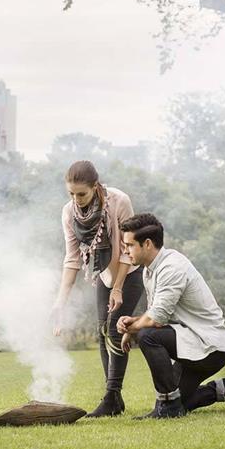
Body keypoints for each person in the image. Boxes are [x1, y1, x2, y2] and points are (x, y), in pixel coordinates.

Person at [116, 213, 225, 419]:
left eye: (129, 245)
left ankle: (168, 403)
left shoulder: (172, 267)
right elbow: (157, 313)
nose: (124, 251)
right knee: (181, 405)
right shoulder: (150, 270)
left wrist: (133, 328)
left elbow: (156, 320)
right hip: (190, 343)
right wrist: (133, 323)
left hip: (209, 346)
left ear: (147, 244)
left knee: (148, 336)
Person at [52, 160, 144, 417]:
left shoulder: (119, 201)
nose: (76, 199)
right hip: (104, 275)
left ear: (95, 186)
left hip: (130, 273)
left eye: (81, 193)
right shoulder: (69, 213)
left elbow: (128, 249)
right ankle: (113, 398)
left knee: (115, 329)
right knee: (102, 331)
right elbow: (72, 258)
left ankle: (111, 397)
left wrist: (118, 288)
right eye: (71, 193)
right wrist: (60, 302)